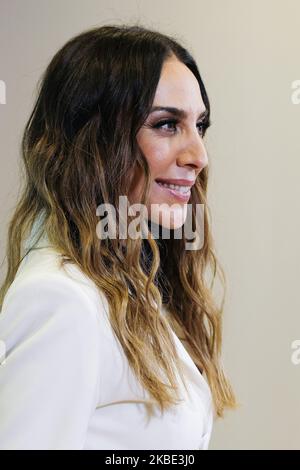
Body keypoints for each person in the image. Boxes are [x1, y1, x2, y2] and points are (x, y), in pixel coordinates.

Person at [0, 24, 236, 450]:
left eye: (200, 125)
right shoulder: (61, 299)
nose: (198, 155)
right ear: (92, 142)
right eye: (166, 124)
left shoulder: (132, 289)